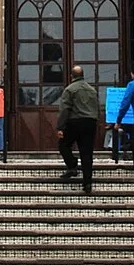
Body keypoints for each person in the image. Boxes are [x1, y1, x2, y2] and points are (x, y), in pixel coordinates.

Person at [57, 64, 100, 192]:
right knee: (87, 153)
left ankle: (72, 165)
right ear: (83, 75)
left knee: (63, 145)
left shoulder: (70, 89)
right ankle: (87, 183)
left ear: (72, 76)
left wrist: (60, 126)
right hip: (90, 122)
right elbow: (97, 107)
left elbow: (65, 109)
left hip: (74, 122)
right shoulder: (92, 90)